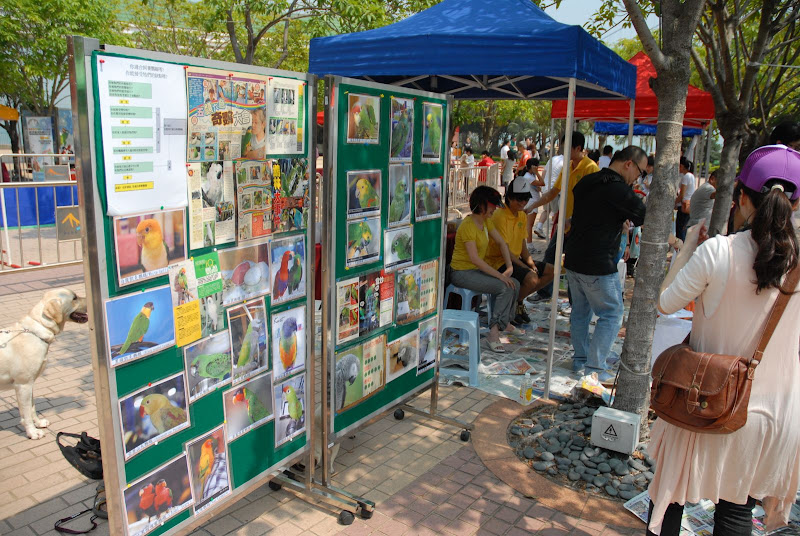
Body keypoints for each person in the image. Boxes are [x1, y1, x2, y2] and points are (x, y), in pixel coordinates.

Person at [646, 144, 800, 536]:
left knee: (670, 496)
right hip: (772, 414)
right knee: (736, 512)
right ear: (795, 205)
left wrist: (688, 249)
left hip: (706, 400)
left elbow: (665, 302)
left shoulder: (718, 251)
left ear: (742, 198)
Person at [563, 146, 647, 381]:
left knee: (580, 312)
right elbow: (644, 215)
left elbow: (593, 214)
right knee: (612, 314)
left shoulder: (587, 181)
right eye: (639, 172)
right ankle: (594, 370)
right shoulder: (619, 190)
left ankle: (580, 360)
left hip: (574, 258)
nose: (638, 178)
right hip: (598, 263)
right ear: (629, 164)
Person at [526, 132, 600, 301]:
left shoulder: (591, 169)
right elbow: (553, 192)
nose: (562, 151)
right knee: (550, 257)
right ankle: (545, 292)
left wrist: (573, 220)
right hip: (564, 226)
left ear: (578, 148)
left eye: (566, 148)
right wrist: (531, 206)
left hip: (581, 228)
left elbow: (593, 203)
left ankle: (575, 303)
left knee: (574, 266)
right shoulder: (568, 167)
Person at [449, 186, 522, 353]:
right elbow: (475, 259)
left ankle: (505, 322)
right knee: (504, 286)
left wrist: (509, 266)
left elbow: (502, 243)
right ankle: (493, 334)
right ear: (481, 205)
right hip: (461, 273)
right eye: (492, 206)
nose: (495, 209)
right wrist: (500, 276)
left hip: (476, 270)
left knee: (515, 284)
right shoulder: (467, 226)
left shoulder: (487, 222)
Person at [485, 177, 540, 325]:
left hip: (513, 260)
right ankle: (514, 306)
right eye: (519, 200)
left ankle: (517, 302)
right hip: (498, 261)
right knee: (531, 278)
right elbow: (504, 249)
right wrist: (524, 267)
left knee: (549, 271)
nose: (523, 203)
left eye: (525, 200)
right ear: (509, 198)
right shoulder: (499, 216)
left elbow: (523, 244)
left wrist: (530, 263)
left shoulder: (522, 215)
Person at [521, 158, 545, 242]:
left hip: (532, 200)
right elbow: (542, 183)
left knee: (528, 224)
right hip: (531, 201)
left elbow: (538, 186)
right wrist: (537, 173)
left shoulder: (530, 176)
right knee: (529, 225)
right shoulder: (528, 176)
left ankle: (527, 243)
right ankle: (529, 244)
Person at [674, 156, 696, 241]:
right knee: (683, 229)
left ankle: (681, 246)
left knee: (680, 230)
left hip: (683, 206)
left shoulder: (686, 177)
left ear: (682, 166)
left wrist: (675, 202)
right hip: (688, 205)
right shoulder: (691, 176)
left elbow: (682, 195)